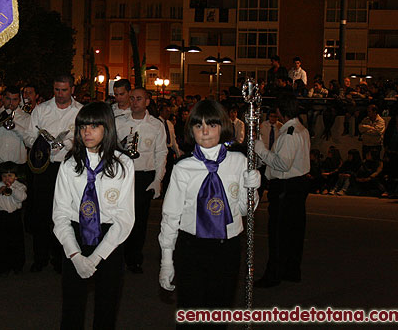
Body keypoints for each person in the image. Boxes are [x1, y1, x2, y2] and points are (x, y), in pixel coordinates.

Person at [158, 100, 260, 323]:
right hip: (191, 246)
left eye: (211, 125)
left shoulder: (239, 162)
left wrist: (253, 189)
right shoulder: (183, 167)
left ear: (222, 127)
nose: (205, 131)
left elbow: (244, 209)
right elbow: (171, 216)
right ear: (190, 130)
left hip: (228, 247)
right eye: (198, 125)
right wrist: (167, 260)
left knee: (219, 313)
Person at [53, 101, 135, 329]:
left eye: (94, 126)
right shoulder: (69, 164)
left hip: (109, 240)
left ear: (107, 128)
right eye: (82, 127)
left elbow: (125, 218)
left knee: (106, 309)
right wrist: (75, 255)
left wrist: (98, 256)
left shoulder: (123, 164)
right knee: (71, 308)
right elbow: (60, 214)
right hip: (75, 236)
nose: (87, 132)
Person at [24, 74, 82, 273]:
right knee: (41, 214)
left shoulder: (80, 111)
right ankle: (40, 257)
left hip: (68, 168)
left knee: (65, 214)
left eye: (64, 90)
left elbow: (85, 140)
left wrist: (67, 143)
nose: (60, 94)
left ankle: (61, 258)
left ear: (72, 89)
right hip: (44, 167)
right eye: (57, 90)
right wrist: (43, 144)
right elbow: (28, 137)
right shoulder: (41, 109)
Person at [254, 93, 310, 288]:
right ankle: (291, 269)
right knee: (294, 231)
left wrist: (260, 149)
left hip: (286, 187)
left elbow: (281, 164)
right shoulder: (300, 129)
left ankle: (274, 274)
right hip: (298, 185)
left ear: (281, 111)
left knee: (278, 232)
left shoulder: (289, 133)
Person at [115, 87, 167, 273]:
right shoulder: (119, 122)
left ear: (147, 102)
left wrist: (158, 179)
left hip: (143, 175)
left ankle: (134, 258)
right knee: (118, 216)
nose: (135, 101)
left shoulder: (156, 125)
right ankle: (116, 255)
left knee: (139, 219)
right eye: (132, 98)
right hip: (122, 175)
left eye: (139, 98)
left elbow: (161, 153)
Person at [0, 85, 31, 250]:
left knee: (16, 205)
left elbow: (29, 141)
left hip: (16, 167)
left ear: (19, 100)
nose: (11, 103)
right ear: (3, 98)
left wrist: (15, 125)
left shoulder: (25, 117)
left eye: (15, 99)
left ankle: (15, 242)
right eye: (8, 99)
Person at [0, 161, 27, 275]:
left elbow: (22, 198)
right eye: (4, 176)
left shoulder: (19, 186)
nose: (7, 179)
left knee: (17, 242)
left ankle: (17, 266)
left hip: (14, 217)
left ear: (16, 176)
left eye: (10, 176)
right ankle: (3, 267)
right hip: (1, 217)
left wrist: (12, 189)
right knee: (1, 243)